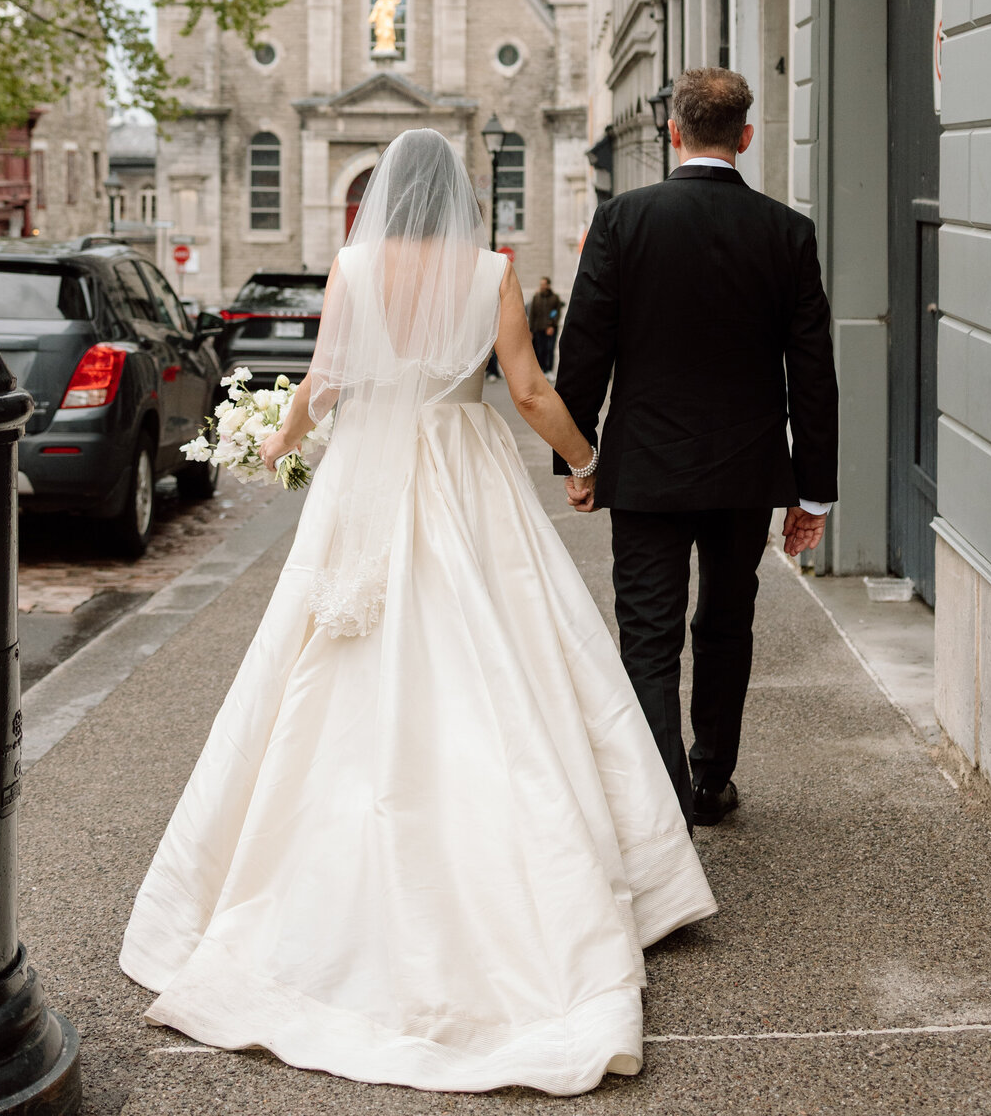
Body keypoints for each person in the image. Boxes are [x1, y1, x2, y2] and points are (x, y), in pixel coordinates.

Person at [120, 128, 714, 1097]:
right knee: (512, 648)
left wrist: (274, 444)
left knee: (323, 664)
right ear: (463, 197)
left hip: (368, 478)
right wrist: (585, 459)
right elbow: (525, 391)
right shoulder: (492, 272)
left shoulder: (351, 268)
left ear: (388, 196)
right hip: (467, 472)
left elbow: (325, 383)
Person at [555, 67, 839, 833]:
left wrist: (579, 460)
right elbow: (812, 369)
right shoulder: (787, 232)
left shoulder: (622, 223)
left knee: (647, 633)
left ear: (672, 132)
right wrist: (812, 492)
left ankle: (661, 805)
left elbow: (584, 350)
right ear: (744, 138)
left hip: (646, 466)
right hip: (747, 469)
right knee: (725, 620)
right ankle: (712, 778)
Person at [528, 274, 563, 373]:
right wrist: (531, 329)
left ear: (548, 285)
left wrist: (552, 325)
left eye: (544, 284)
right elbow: (532, 314)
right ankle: (541, 370)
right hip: (538, 328)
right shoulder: (536, 297)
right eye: (541, 284)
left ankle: (549, 370)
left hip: (550, 329)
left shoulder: (555, 298)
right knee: (540, 350)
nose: (542, 286)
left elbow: (556, 312)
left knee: (550, 349)